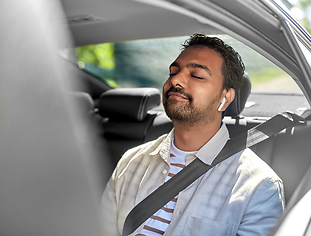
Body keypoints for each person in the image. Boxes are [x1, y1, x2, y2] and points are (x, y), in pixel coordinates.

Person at [100, 34, 285, 236]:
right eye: (173, 72)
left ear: (225, 97)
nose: (176, 80)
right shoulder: (131, 162)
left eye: (196, 75)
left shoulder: (259, 187)